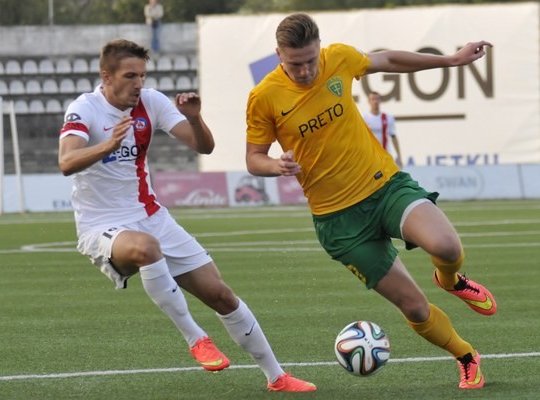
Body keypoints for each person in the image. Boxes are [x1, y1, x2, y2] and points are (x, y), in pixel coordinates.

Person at [245, 13, 496, 390]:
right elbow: (253, 158)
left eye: (311, 60)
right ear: (278, 54)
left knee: (446, 246)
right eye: (295, 63)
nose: (305, 70)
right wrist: (275, 164)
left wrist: (450, 60)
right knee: (412, 307)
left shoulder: (340, 58)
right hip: (339, 223)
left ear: (319, 49)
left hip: (384, 188)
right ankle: (465, 356)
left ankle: (451, 280)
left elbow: (388, 60)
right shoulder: (264, 96)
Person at [58, 39, 316, 393]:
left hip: (150, 215)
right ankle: (196, 339)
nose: (138, 83)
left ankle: (277, 377)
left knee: (222, 295)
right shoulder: (85, 109)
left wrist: (195, 118)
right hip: (100, 224)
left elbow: (204, 146)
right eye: (130, 76)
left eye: (143, 75)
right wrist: (107, 145)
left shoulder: (151, 102)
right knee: (147, 249)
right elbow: (66, 162)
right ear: (107, 76)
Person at [362, 91, 403, 167]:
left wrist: (399, 156)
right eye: (373, 99)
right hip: (370, 157)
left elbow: (393, 136)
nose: (375, 101)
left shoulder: (387, 117)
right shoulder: (364, 118)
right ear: (369, 101)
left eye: (377, 99)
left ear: (380, 100)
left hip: (385, 156)